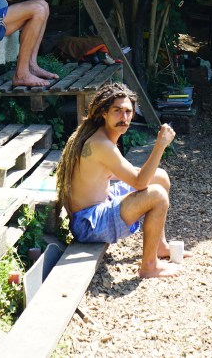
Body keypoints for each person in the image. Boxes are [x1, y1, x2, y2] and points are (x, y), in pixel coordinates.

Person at [55, 82, 182, 278]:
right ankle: (149, 266)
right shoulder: (102, 144)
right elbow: (139, 183)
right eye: (117, 111)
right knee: (157, 195)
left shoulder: (100, 135)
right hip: (89, 223)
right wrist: (160, 145)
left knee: (160, 177)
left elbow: (113, 173)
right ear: (104, 113)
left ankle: (160, 246)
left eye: (128, 112)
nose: (124, 118)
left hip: (97, 208)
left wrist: (142, 173)